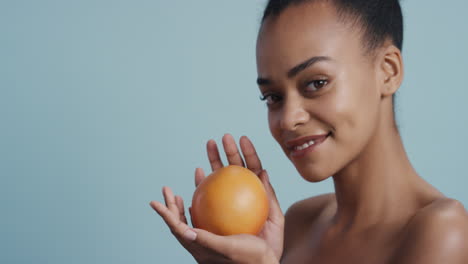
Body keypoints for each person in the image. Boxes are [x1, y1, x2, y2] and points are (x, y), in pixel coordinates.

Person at [150, 0, 468, 263]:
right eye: (273, 97)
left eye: (316, 83)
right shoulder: (300, 223)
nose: (288, 119)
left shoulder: (441, 230)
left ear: (388, 71)